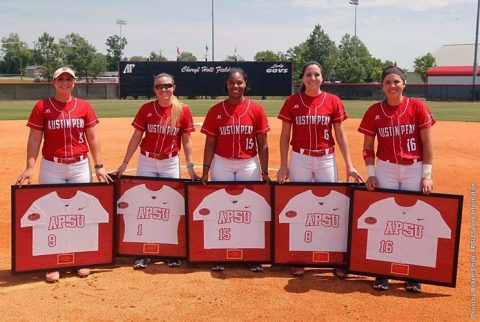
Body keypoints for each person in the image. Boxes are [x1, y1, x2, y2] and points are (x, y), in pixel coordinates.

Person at [16, 66, 112, 283]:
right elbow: (34, 139)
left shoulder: (84, 106)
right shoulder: (42, 106)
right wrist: (30, 167)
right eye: (61, 79)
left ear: (74, 83)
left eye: (69, 79)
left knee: (82, 212)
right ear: (54, 82)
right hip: (52, 166)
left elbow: (93, 138)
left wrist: (99, 165)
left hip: (79, 165)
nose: (65, 83)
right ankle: (52, 261)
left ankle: (81, 257)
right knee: (52, 215)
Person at [276, 61, 362, 277]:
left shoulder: (332, 101)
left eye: (316, 74)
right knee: (302, 205)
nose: (312, 78)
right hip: (300, 158)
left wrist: (349, 165)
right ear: (302, 78)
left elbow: (340, 135)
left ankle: (335, 256)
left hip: (325, 159)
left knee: (332, 207)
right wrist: (284, 165)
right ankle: (300, 256)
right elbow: (285, 135)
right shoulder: (293, 101)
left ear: (322, 78)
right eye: (308, 75)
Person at [358, 66, 435, 293]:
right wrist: (371, 173)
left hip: (414, 168)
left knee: (413, 221)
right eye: (388, 82)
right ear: (382, 86)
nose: (392, 86)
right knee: (386, 218)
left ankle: (413, 272)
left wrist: (427, 175)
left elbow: (428, 144)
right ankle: (382, 271)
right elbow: (367, 147)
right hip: (386, 169)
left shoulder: (418, 107)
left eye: (396, 81)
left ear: (404, 84)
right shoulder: (374, 111)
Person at [116, 72, 199, 270]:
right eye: (159, 86)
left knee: (170, 206)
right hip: (146, 160)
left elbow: (186, 141)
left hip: (170, 162)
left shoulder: (182, 110)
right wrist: (125, 163)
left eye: (167, 85)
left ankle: (172, 251)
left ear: (174, 87)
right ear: (154, 89)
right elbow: (136, 136)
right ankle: (143, 251)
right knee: (144, 207)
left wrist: (190, 166)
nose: (164, 89)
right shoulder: (146, 109)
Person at [201, 67, 270, 272]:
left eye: (239, 82)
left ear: (246, 84)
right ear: (226, 85)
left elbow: (263, 144)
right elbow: (210, 144)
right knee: (222, 208)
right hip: (222, 162)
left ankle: (251, 253)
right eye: (231, 82)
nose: (235, 86)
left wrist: (264, 172)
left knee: (248, 208)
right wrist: (205, 169)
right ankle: (220, 251)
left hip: (248, 163)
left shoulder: (256, 109)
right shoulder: (216, 110)